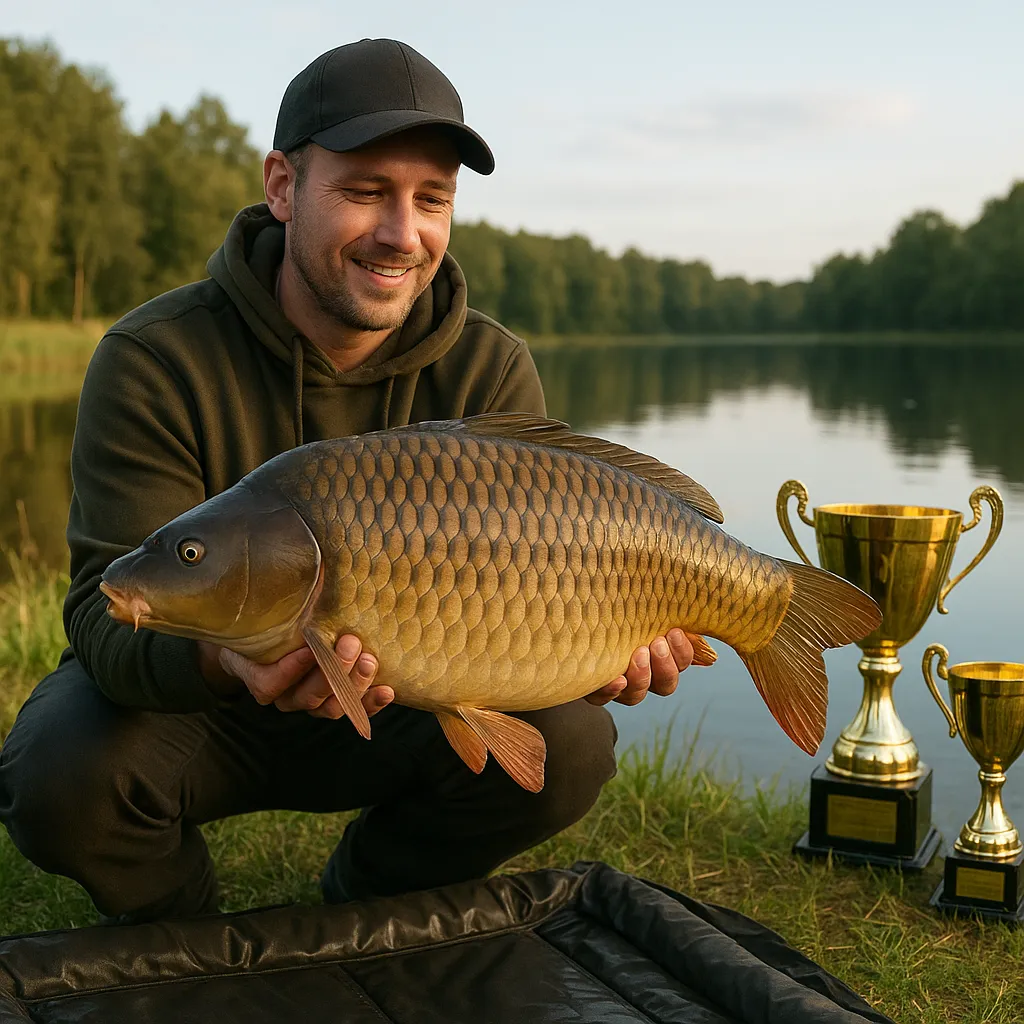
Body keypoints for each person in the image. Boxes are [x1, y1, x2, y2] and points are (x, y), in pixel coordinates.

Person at [0, 38, 694, 924]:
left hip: (409, 698)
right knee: (58, 768)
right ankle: (189, 940)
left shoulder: (489, 367)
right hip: (203, 709)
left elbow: (540, 604)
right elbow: (109, 609)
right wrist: (224, 660)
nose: (403, 234)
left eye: (431, 199)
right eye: (366, 191)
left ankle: (367, 904)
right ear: (284, 187)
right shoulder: (154, 359)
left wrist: (599, 651)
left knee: (573, 743)